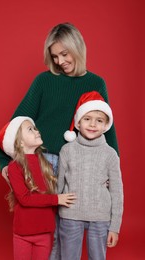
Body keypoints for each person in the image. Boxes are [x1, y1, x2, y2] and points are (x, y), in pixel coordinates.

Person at [0, 22, 119, 259]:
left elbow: (108, 129)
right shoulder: (43, 81)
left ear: (77, 48)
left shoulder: (96, 83)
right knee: (47, 231)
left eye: (64, 54)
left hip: (81, 165)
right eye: (55, 56)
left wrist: (110, 170)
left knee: (68, 229)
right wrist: (3, 161)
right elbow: (17, 123)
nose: (60, 61)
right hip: (46, 163)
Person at [0, 116, 76, 260]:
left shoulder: (46, 164)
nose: (36, 131)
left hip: (45, 232)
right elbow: (25, 199)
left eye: (35, 128)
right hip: (23, 233)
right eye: (30, 129)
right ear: (20, 142)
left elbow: (64, 183)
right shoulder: (15, 167)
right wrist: (57, 199)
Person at [57, 91, 124, 260]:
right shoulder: (67, 150)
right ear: (78, 123)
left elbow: (117, 192)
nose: (93, 124)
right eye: (87, 118)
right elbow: (57, 185)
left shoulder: (110, 154)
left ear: (106, 125)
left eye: (99, 120)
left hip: (100, 217)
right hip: (70, 214)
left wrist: (114, 227)